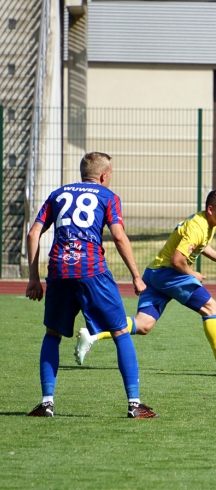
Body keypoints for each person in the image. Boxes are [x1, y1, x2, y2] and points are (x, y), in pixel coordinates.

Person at [25, 152, 157, 418]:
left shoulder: (57, 195)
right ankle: (134, 404)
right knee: (120, 332)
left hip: (59, 270)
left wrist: (33, 278)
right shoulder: (108, 197)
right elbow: (119, 237)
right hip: (91, 270)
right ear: (104, 175)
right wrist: (136, 275)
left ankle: (47, 402)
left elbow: (33, 232)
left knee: (53, 334)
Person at [74, 189, 216, 373]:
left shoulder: (206, 223)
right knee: (212, 308)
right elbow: (177, 261)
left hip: (154, 272)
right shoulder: (198, 227)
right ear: (210, 209)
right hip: (170, 274)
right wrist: (193, 274)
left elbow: (202, 244)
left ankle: (93, 333)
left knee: (143, 325)